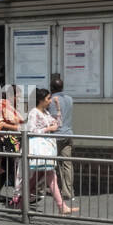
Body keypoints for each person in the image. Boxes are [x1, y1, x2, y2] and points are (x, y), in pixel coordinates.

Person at [10, 88, 71, 214]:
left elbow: (57, 124)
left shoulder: (46, 113)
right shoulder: (34, 113)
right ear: (41, 100)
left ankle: (21, 203)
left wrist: (58, 109)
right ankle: (61, 206)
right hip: (36, 151)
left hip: (45, 150)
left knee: (39, 177)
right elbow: (31, 130)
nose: (50, 101)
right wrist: (47, 129)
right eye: (48, 98)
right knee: (43, 176)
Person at [0, 84, 24, 201]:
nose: (19, 98)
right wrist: (13, 126)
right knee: (10, 169)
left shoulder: (7, 105)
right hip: (4, 143)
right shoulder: (1, 105)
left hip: (7, 143)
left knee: (6, 169)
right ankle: (20, 196)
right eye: (17, 95)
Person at [49, 72, 78, 212]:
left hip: (55, 136)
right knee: (67, 164)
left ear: (51, 88)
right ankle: (69, 192)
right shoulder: (70, 99)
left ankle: (45, 189)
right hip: (68, 134)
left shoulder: (51, 100)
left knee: (49, 163)